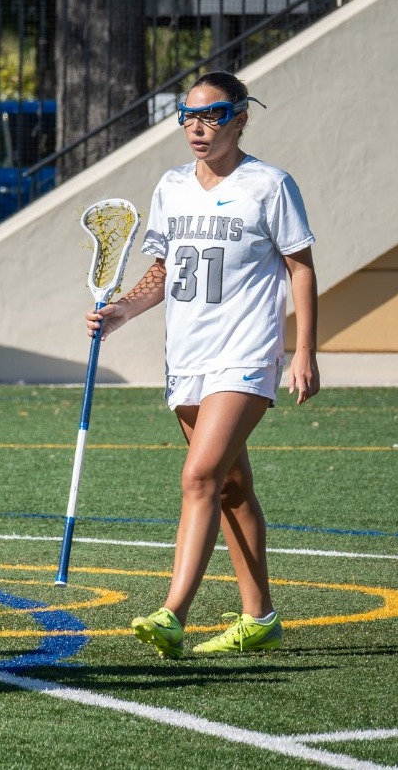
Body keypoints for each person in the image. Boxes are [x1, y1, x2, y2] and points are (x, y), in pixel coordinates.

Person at [85, 71, 319, 659]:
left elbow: (301, 267)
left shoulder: (269, 185)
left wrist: (305, 351)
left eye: (211, 116)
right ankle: (259, 616)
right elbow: (163, 271)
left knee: (198, 478)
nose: (197, 127)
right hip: (186, 357)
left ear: (240, 119)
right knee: (232, 487)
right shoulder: (171, 187)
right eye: (187, 116)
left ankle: (172, 613)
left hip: (245, 354)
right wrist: (120, 313)